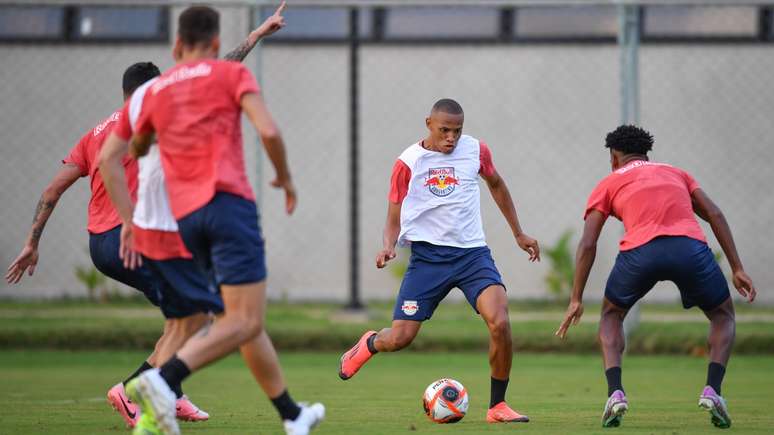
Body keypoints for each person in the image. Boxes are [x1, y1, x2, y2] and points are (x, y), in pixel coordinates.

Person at [5, 6, 290, 429]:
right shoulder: (150, 112)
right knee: (202, 314)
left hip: (101, 244)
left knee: (186, 317)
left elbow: (51, 191)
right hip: (131, 237)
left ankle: (167, 390)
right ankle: (139, 388)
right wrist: (255, 35)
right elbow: (217, 72)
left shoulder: (96, 131)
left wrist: (32, 242)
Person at [100, 6, 323, 435]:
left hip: (184, 220)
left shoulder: (153, 92)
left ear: (176, 45)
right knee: (244, 321)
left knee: (220, 320)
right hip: (227, 207)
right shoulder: (228, 76)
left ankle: (292, 415)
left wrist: (127, 218)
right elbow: (270, 132)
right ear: (216, 45)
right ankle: (159, 384)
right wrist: (285, 177)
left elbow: (124, 152)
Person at [338, 98, 541, 424]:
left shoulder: (476, 150)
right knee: (400, 338)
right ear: (429, 124)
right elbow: (394, 212)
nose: (451, 137)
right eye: (444, 130)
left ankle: (497, 407)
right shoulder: (408, 162)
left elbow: (497, 185)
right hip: (428, 259)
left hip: (472, 255)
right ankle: (371, 342)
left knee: (500, 322)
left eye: (457, 131)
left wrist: (518, 233)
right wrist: (388, 245)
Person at [555, 125, 757, 429]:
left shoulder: (609, 182)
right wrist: (737, 268)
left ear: (614, 157)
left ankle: (615, 394)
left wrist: (576, 298)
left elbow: (588, 242)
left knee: (611, 315)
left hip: (640, 253)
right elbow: (714, 213)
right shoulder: (676, 172)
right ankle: (713, 390)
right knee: (722, 315)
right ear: (647, 153)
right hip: (689, 249)